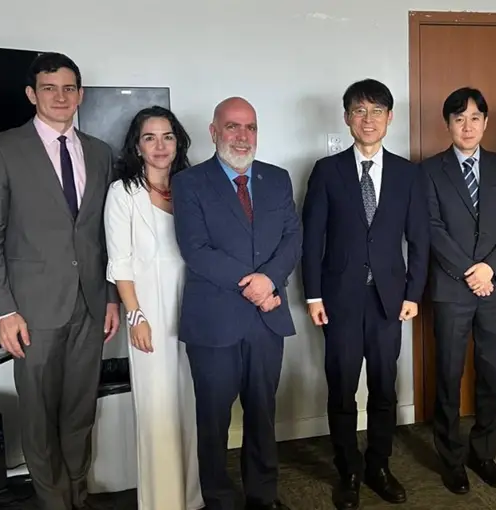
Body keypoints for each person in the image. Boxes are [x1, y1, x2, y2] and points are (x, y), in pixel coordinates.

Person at [0, 52, 121, 510]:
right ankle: (54, 502)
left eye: (69, 88)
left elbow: (104, 234)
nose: (60, 97)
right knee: (38, 414)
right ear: (32, 94)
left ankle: (77, 495)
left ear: (80, 95)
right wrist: (2, 310)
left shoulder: (99, 152)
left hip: (90, 306)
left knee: (79, 411)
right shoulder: (1, 149)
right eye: (49, 88)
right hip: (31, 310)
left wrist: (110, 297)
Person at [301, 78, 429, 509]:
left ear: (390, 118)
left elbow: (420, 240)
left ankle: (378, 465)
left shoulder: (408, 174)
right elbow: (312, 239)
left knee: (384, 388)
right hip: (338, 300)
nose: (368, 119)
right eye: (359, 110)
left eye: (376, 111)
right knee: (341, 388)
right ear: (347, 118)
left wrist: (413, 293)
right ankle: (348, 470)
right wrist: (313, 296)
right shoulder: (327, 170)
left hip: (389, 300)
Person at [172, 97, 300, 510]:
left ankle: (263, 495)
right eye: (232, 126)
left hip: (267, 321)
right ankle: (220, 500)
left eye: (250, 127)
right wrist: (254, 286)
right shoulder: (189, 183)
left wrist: (269, 280)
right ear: (214, 132)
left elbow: (292, 239)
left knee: (262, 414)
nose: (243, 136)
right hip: (214, 323)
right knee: (213, 421)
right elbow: (196, 249)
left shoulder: (277, 179)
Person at [421, 87, 496, 494]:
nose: (467, 126)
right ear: (447, 124)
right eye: (459, 118)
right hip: (452, 287)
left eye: (475, 118)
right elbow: (431, 227)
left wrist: (490, 268)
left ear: (485, 122)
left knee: (491, 373)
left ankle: (484, 453)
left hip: (495, 287)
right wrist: (469, 270)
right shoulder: (430, 170)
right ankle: (451, 459)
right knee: (448, 374)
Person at [103, 106, 204, 510]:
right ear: (137, 146)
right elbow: (119, 262)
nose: (160, 146)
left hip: (195, 307)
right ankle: (162, 501)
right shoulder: (122, 192)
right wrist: (135, 315)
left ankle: (191, 496)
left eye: (167, 136)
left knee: (190, 402)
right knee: (157, 405)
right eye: (150, 137)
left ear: (178, 142)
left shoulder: (192, 187)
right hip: (148, 312)